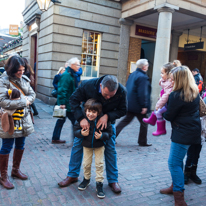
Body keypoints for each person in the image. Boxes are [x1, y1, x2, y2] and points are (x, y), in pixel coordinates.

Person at [58, 75, 127, 193]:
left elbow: (123, 109)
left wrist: (107, 116)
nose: (108, 97)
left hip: (107, 125)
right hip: (86, 123)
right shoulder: (87, 85)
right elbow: (73, 100)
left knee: (110, 150)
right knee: (77, 146)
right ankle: (73, 175)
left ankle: (113, 180)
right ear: (101, 86)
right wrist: (81, 118)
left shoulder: (121, 91)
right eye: (106, 95)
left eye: (112, 95)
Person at [160, 66, 201, 205]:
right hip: (193, 132)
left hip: (182, 133)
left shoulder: (176, 95)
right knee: (179, 161)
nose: (171, 82)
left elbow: (169, 116)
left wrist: (161, 111)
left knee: (173, 163)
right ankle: (174, 186)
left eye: (173, 80)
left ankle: (179, 198)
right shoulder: (194, 91)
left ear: (179, 80)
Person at [0, 55, 35, 189]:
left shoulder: (24, 79)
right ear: (11, 69)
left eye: (23, 69)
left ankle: (15, 170)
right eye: (18, 70)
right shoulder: (3, 81)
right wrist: (23, 102)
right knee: (7, 146)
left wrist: (27, 100)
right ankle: (3, 176)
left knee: (21, 144)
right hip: (10, 119)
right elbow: (2, 101)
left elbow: (33, 95)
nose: (21, 72)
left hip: (24, 119)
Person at [74, 99, 112, 199]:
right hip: (86, 145)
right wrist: (81, 133)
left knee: (99, 164)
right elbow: (75, 131)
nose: (91, 114)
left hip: (99, 145)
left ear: (98, 112)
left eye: (94, 112)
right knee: (86, 164)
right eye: (89, 111)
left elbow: (109, 133)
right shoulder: (82, 120)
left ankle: (99, 183)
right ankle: (86, 179)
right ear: (85, 111)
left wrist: (102, 136)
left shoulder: (103, 121)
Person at [115, 59, 152, 146]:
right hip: (138, 105)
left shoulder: (132, 75)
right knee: (144, 122)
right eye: (147, 65)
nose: (147, 67)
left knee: (125, 121)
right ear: (144, 67)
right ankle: (142, 141)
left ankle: (111, 136)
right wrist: (144, 106)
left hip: (130, 103)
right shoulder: (142, 77)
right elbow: (143, 93)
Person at [51, 57, 80, 144]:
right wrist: (62, 103)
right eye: (78, 65)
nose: (79, 66)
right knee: (75, 121)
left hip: (69, 103)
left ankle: (55, 138)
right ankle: (77, 140)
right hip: (67, 104)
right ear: (72, 65)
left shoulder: (71, 74)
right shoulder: (67, 75)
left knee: (61, 120)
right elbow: (62, 90)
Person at [184, 68, 204, 185]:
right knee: (191, 151)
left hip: (201, 129)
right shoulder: (192, 95)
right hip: (193, 127)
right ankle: (186, 173)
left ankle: (193, 173)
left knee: (197, 152)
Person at [143, 63, 174, 136]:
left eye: (162, 73)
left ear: (169, 74)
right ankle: (152, 120)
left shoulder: (169, 84)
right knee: (156, 110)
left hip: (166, 103)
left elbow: (166, 95)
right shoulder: (166, 81)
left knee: (158, 112)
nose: (161, 75)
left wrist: (159, 104)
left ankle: (161, 129)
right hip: (164, 101)